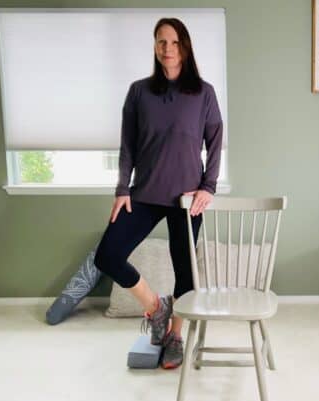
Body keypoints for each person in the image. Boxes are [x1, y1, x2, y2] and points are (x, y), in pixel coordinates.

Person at [94, 17, 223, 369]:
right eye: (161, 42)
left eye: (175, 42)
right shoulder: (139, 91)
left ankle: (176, 336)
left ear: (185, 46)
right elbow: (127, 146)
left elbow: (215, 142)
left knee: (185, 272)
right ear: (154, 46)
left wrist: (208, 187)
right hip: (144, 193)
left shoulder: (203, 93)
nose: (168, 48)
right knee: (107, 255)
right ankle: (156, 308)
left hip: (186, 198)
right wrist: (122, 189)